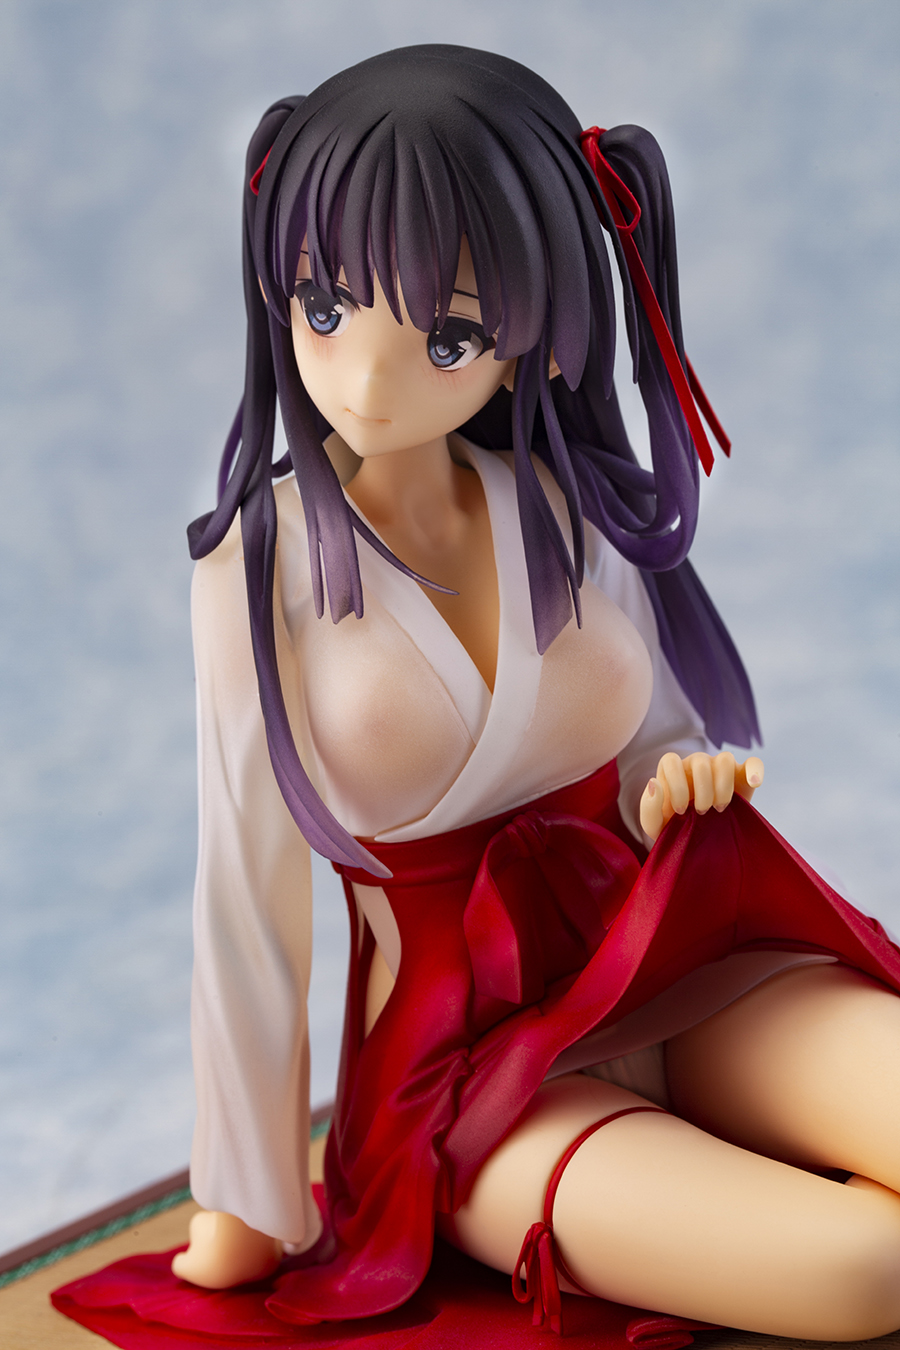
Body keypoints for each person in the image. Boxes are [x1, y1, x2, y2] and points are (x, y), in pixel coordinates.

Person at [63, 46, 900, 1344]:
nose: (367, 380)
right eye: (325, 307)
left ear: (525, 339)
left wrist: (674, 784)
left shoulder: (567, 508)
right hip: (469, 1073)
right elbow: (249, 900)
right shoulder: (257, 567)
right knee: (866, 1271)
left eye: (446, 334)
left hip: (666, 954)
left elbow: (655, 742)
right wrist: (246, 1200)